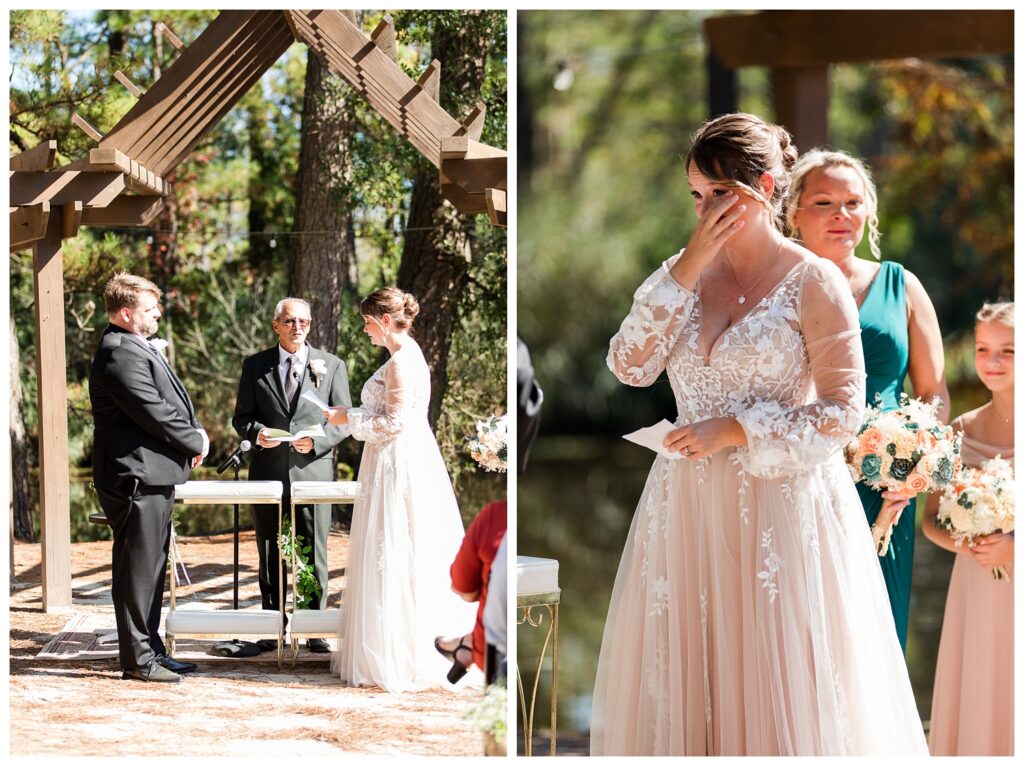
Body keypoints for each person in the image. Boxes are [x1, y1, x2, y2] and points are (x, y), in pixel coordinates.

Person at [592, 113, 927, 755]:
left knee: (783, 685)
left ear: (767, 187)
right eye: (698, 195)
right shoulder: (680, 276)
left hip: (785, 508)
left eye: (722, 193)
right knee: (693, 678)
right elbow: (629, 367)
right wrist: (688, 264)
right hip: (686, 507)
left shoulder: (814, 279)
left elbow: (841, 411)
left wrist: (740, 429)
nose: (707, 208)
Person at [786, 149, 949, 650]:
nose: (842, 214)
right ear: (794, 214)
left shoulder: (900, 286)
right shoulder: (776, 289)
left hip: (886, 487)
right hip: (799, 477)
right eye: (825, 202)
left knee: (876, 632)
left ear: (869, 212)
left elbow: (934, 393)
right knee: (805, 628)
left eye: (853, 202)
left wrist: (917, 469)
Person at [324, 287, 474, 691]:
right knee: (394, 549)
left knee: (395, 546)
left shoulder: (402, 362)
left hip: (396, 461)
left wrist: (346, 418)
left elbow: (394, 423)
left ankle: (399, 653)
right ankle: (395, 645)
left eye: (368, 323)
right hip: (392, 458)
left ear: (385, 321)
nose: (366, 331)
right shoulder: (404, 356)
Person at [90, 273, 209, 683]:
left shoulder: (131, 345)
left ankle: (151, 649)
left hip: (151, 473)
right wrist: (194, 440)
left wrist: (192, 437)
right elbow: (152, 410)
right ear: (126, 313)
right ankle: (138, 661)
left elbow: (162, 405)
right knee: (137, 571)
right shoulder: (118, 351)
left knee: (153, 568)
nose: (157, 312)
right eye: (149, 308)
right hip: (135, 476)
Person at [232, 297, 352, 653]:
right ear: (276, 326)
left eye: (302, 321)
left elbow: (343, 420)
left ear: (310, 325)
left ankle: (313, 626)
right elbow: (242, 417)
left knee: (313, 550)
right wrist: (257, 434)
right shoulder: (255, 366)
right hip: (267, 472)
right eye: (289, 321)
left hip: (312, 473)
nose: (296, 326)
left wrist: (316, 443)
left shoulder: (331, 366)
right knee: (269, 549)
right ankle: (272, 625)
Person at [924, 302, 1013, 756]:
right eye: (982, 349)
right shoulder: (959, 428)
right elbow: (930, 519)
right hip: (975, 581)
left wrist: (1014, 549)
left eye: (1008, 351)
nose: (991, 362)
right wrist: (968, 541)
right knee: (979, 683)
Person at [435, 499, 507, 682]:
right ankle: (467, 644)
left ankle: (469, 643)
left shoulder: (497, 514)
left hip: (493, 650)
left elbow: (463, 589)